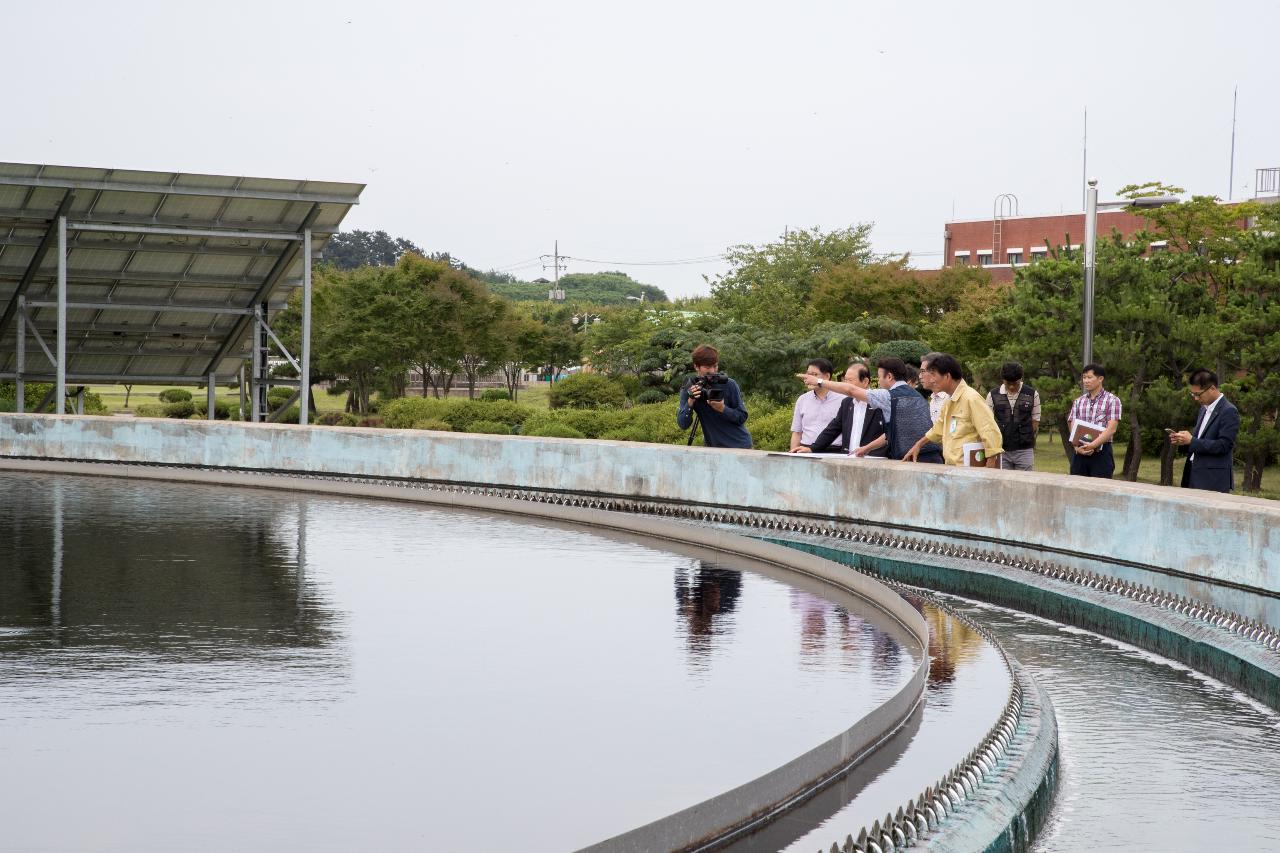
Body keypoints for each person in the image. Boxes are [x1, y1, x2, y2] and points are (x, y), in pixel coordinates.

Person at [796, 356, 942, 463]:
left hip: (915, 460)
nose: (877, 381)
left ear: (889, 376)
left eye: (879, 377)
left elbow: (851, 391)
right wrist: (866, 448)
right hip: (930, 458)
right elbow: (889, 434)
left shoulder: (888, 396)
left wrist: (819, 382)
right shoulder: (916, 396)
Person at [907, 354, 1003, 467]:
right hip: (953, 469)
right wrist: (918, 444)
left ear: (947, 376)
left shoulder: (971, 398)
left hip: (970, 471)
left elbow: (989, 430)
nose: (931, 380)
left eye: (934, 375)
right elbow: (939, 428)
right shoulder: (949, 400)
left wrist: (990, 467)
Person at [1168, 369, 1239, 493]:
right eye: (1193, 394)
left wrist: (1192, 441)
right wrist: (1184, 441)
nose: (1196, 398)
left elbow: (1224, 445)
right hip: (1193, 474)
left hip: (1212, 479)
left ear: (1212, 388)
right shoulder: (1203, 409)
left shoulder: (1229, 411)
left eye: (1198, 394)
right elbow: (1200, 440)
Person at [795, 361, 887, 457]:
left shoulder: (881, 402)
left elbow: (888, 435)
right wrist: (812, 449)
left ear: (865, 382)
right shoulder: (847, 403)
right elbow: (833, 429)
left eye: (850, 381)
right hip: (848, 459)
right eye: (845, 380)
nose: (845, 384)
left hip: (874, 460)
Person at [676, 344, 752, 449]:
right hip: (713, 447)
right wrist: (690, 401)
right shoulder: (690, 388)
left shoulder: (729, 384)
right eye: (707, 367)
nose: (712, 371)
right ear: (696, 366)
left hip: (739, 445)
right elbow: (683, 424)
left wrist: (722, 409)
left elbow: (742, 416)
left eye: (715, 366)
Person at [1068, 363, 1121, 478]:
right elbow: (1072, 423)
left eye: (1089, 377)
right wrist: (1077, 447)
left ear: (1100, 378)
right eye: (1084, 377)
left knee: (1100, 490)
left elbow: (1111, 429)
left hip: (1102, 453)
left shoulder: (1112, 400)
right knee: (1077, 489)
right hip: (1080, 451)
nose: (1086, 381)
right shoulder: (1078, 401)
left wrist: (1092, 445)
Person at [985, 362, 1041, 470]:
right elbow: (987, 422)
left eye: (1015, 383)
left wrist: (1024, 436)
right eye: (1008, 383)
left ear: (1020, 379)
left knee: (1025, 483)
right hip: (1001, 450)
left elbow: (1035, 420)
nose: (1011, 387)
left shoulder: (1032, 394)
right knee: (1003, 484)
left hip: (1024, 450)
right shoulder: (992, 395)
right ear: (1003, 380)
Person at [789, 358, 847, 452]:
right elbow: (797, 432)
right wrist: (793, 455)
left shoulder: (843, 399)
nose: (809, 378)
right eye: (808, 374)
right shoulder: (802, 400)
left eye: (814, 375)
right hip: (805, 449)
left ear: (827, 376)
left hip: (834, 451)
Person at [919, 352, 950, 425]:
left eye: (923, 371)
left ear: (935, 372)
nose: (920, 376)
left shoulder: (951, 398)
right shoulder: (933, 400)